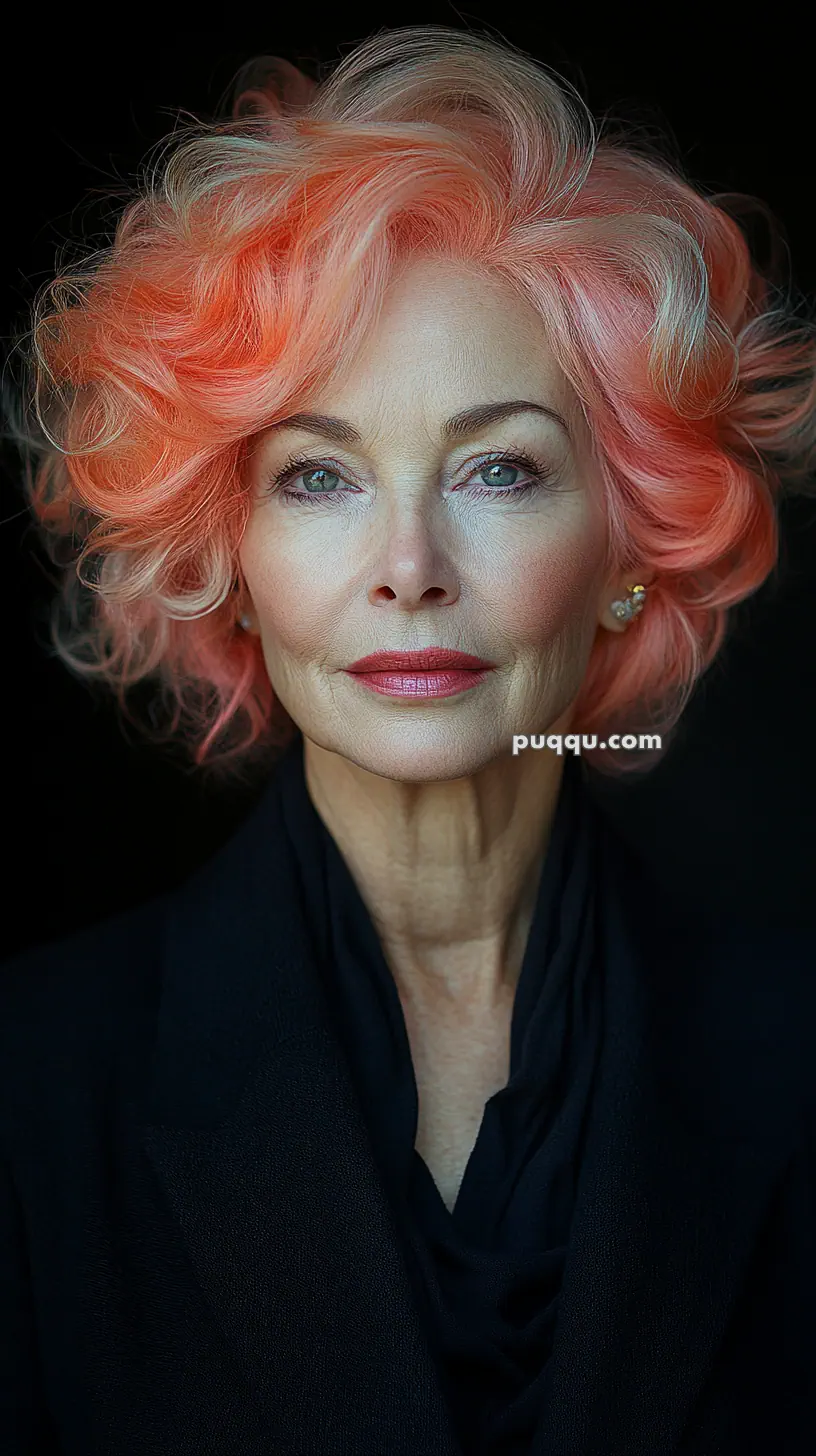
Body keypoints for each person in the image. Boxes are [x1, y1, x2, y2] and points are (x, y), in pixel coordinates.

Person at [1, 23, 815, 1456]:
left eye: (499, 467)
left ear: (630, 541)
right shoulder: (32, 1080)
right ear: (226, 555)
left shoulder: (794, 1049)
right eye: (318, 476)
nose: (409, 566)